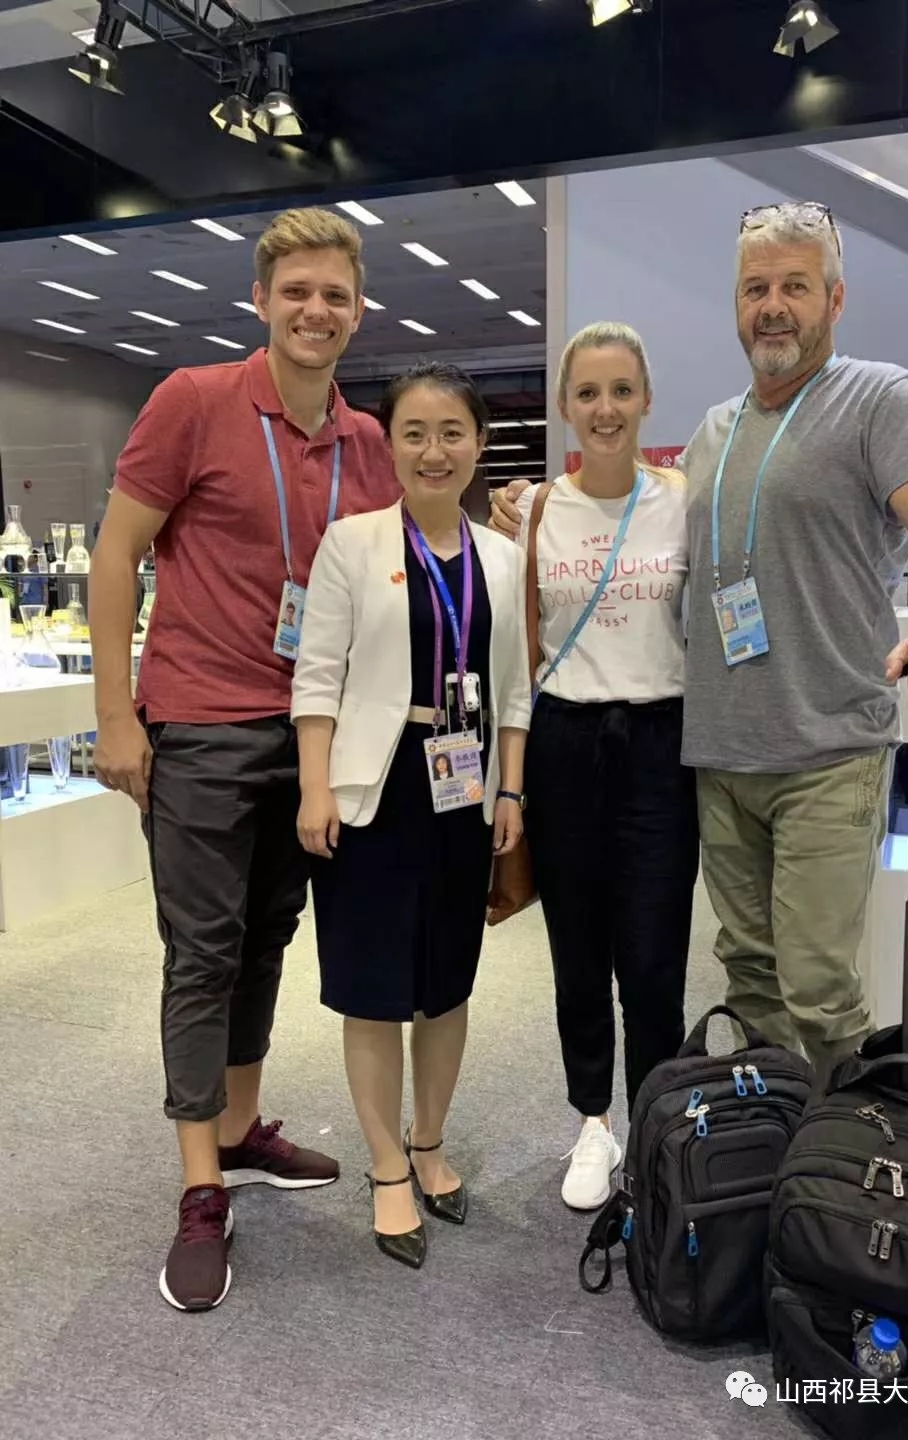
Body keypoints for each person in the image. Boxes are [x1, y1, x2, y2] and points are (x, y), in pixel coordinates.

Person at [491, 200, 908, 1081]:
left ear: (835, 299)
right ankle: (773, 1136)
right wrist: (528, 508)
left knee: (820, 987)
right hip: (721, 758)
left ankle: (840, 1149)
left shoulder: (881, 397)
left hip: (827, 750)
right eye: (756, 289)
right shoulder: (716, 432)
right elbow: (633, 520)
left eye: (795, 286)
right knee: (751, 979)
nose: (773, 307)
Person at [89, 206, 400, 1313]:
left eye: (336, 295)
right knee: (202, 952)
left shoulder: (366, 443)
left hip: (310, 734)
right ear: (261, 301)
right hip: (202, 725)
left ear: (358, 312)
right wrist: (115, 716)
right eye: (297, 292)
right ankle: (200, 1188)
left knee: (268, 939)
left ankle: (238, 1126)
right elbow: (116, 554)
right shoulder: (195, 400)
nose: (317, 310)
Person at [292, 361, 531, 1270]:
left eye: (453, 433)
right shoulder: (351, 543)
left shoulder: (502, 558)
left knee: (446, 981)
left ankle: (429, 1139)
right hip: (375, 789)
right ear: (388, 445)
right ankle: (387, 1163)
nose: (435, 451)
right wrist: (315, 786)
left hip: (463, 787)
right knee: (373, 986)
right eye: (415, 434)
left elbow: (516, 692)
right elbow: (317, 677)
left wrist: (510, 789)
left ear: (479, 444)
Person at [511, 322, 698, 1212]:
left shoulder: (683, 502)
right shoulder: (536, 512)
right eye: (587, 392)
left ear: (647, 399)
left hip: (661, 742)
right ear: (565, 407)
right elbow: (521, 649)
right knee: (578, 952)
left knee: (655, 957)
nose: (606, 408)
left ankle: (655, 1128)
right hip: (565, 742)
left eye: (622, 390)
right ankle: (593, 1122)